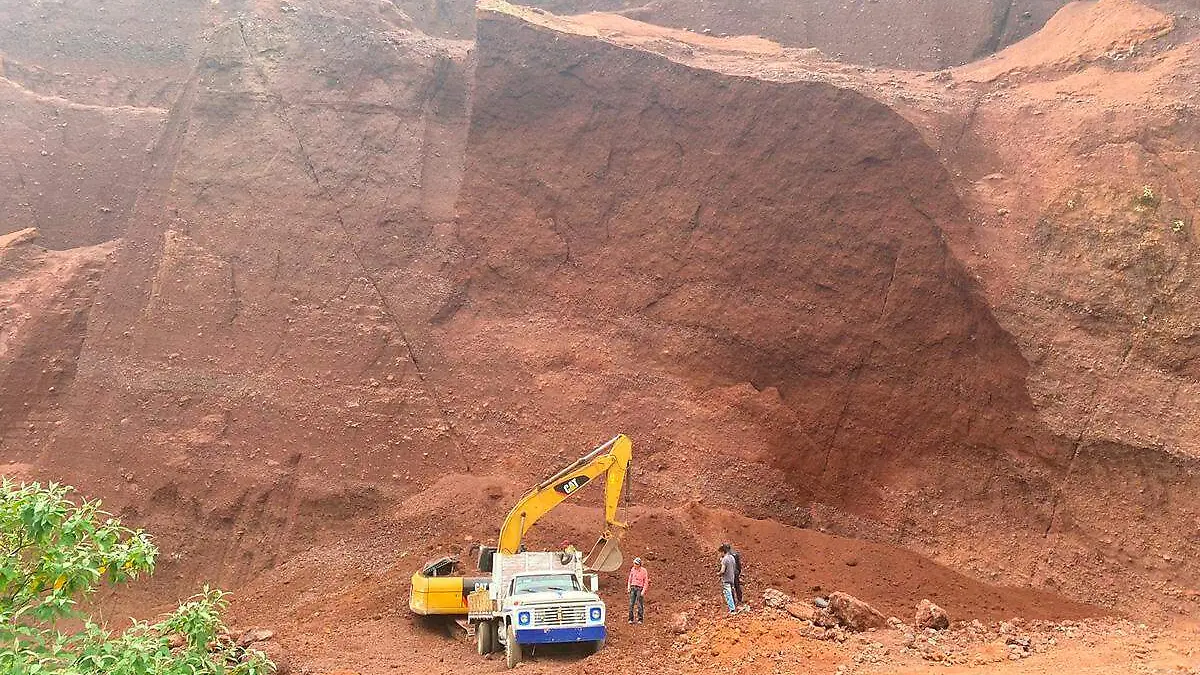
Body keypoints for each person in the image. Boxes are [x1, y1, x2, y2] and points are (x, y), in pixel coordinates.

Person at [627, 557, 648, 624]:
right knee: (631, 604)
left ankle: (640, 619)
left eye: (636, 564)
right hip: (633, 587)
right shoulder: (632, 569)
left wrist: (643, 591)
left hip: (639, 588)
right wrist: (628, 587)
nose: (635, 565)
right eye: (634, 563)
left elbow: (646, 582)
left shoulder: (644, 571)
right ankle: (630, 619)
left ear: (639, 564)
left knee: (639, 604)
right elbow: (630, 578)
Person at [725, 542, 745, 608]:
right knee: (737, 586)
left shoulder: (726, 556)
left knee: (731, 587)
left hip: (729, 573)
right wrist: (738, 571)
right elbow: (739, 565)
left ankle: (733, 601)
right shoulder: (735, 554)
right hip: (735, 572)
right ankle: (740, 599)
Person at [718, 544, 737, 615]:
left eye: (720, 552)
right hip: (732, 578)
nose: (720, 554)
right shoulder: (732, 557)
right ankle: (733, 607)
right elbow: (734, 568)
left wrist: (719, 573)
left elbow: (722, 571)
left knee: (728, 594)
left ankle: (732, 610)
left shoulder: (724, 559)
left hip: (726, 579)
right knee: (731, 593)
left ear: (723, 551)